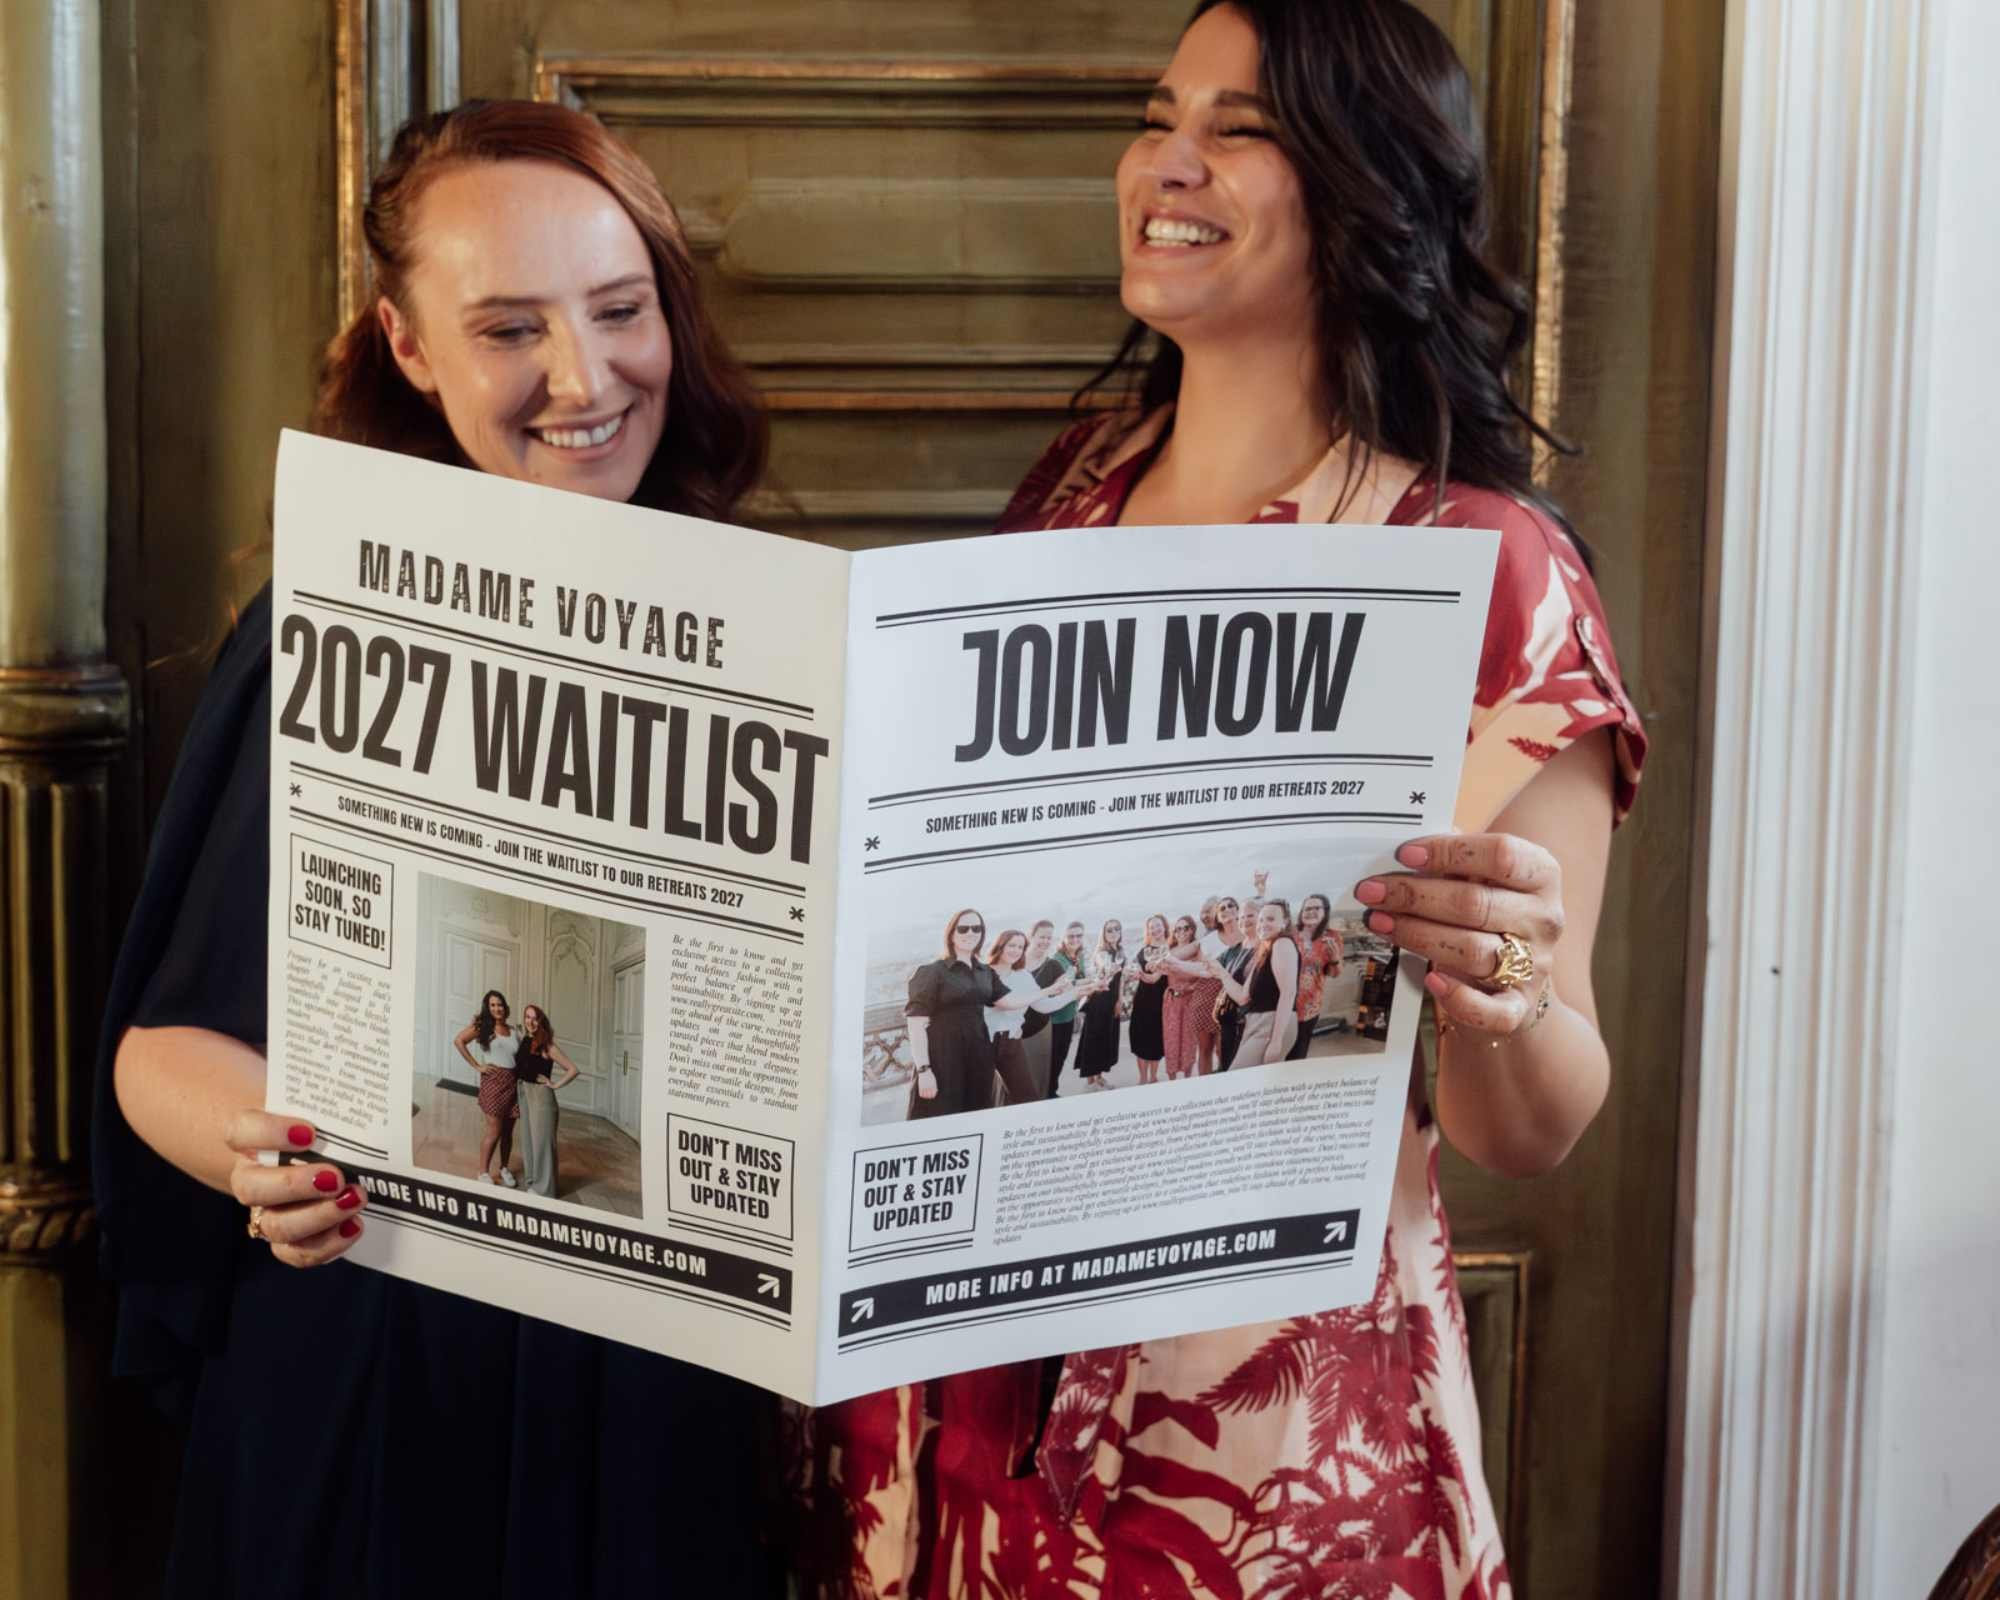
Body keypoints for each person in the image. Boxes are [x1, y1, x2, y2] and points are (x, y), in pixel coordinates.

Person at [795, 2, 1648, 1594]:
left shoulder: (1491, 570)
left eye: (1238, 129)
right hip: (972, 1354)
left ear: (1369, 185)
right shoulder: (1073, 491)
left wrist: (1503, 984)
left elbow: (1532, 1129)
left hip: (1257, 1417)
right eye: (1157, 116)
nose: (1166, 163)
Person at [93, 100, 784, 1597]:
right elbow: (159, 1047)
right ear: (410, 349)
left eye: (620, 309)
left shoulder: (777, 635)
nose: (585, 378)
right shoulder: (324, 633)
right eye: (510, 329)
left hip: (664, 1395)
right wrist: (266, 1154)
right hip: (382, 1377)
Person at [905, 910, 1068, 1118]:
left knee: (975, 1115)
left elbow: (1009, 1002)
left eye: (977, 928)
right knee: (940, 1116)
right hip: (943, 1058)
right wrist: (924, 1070)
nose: (970, 933)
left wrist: (1048, 991)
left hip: (978, 1058)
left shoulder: (985, 972)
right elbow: (916, 1025)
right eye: (963, 928)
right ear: (951, 933)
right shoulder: (931, 972)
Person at [984, 928, 1075, 1104]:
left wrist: (1075, 993)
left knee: (1026, 1096)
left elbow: (1043, 1006)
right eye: (1012, 945)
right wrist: (1048, 990)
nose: (1016, 951)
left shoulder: (1023, 975)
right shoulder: (983, 973)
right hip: (982, 1043)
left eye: (1020, 947)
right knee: (983, 1098)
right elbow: (1003, 1004)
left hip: (1010, 1042)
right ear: (1000, 945)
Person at [1212, 897, 1301, 1067]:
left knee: (1239, 1076)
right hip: (1255, 1023)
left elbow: (1288, 993)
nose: (1263, 924)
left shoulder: (1282, 943)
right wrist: (1221, 972)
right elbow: (1243, 996)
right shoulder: (1264, 950)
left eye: (1270, 919)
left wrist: (1276, 1041)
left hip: (1272, 1023)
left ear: (1284, 922)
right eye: (1261, 919)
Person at [453, 988, 521, 1185]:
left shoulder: (514, 1031)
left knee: (507, 1132)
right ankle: (483, 1172)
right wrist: (477, 1066)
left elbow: (519, 1058)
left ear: (505, 1007)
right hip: (493, 1082)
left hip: (513, 1083)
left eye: (500, 1005)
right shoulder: (483, 1027)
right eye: (492, 1005)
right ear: (487, 1007)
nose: (497, 1008)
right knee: (494, 1130)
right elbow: (459, 1041)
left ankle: (504, 1168)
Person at [512, 1003, 581, 1197]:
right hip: (525, 1093)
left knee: (542, 1144)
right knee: (529, 1141)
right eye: (527, 1017)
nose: (530, 1022)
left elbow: (573, 1069)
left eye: (535, 1018)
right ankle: (534, 1181)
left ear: (541, 1021)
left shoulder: (547, 1045)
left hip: (541, 1097)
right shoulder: (526, 1040)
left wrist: (555, 1085)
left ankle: (544, 1190)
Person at [1157, 913, 1219, 1078]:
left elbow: (1205, 975)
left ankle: (1187, 1079)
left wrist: (1191, 986)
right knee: (1171, 1042)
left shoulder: (1197, 951)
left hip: (1191, 1002)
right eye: (1177, 929)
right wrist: (1143, 973)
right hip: (1172, 1002)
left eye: (1185, 928)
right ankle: (1172, 1082)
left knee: (1188, 1044)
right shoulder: (1169, 952)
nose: (1181, 932)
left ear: (1192, 930)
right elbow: (1157, 974)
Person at [1071, 917, 1128, 1090]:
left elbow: (1121, 979)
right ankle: (1090, 1082)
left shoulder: (1120, 951)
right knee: (1094, 1039)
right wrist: (1110, 969)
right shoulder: (1101, 952)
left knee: (1106, 1039)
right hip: (1099, 1001)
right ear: (1104, 933)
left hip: (1112, 1001)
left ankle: (1099, 1077)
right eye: (1109, 930)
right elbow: (1104, 971)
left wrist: (1119, 1000)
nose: (1113, 932)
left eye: (1117, 928)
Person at [1287, 890, 1344, 1058]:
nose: (1311, 912)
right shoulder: (1290, 933)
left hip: (1309, 1007)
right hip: (1282, 1002)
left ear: (1325, 912)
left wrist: (1335, 959)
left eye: (1316, 908)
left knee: (1298, 1051)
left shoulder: (1332, 937)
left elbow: (1334, 973)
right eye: (1307, 908)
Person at [1041, 920, 1089, 1098]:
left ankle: (1052, 1090)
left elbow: (1079, 979)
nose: (1075, 939)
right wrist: (1087, 983)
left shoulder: (1078, 956)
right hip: (1056, 1018)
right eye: (1071, 936)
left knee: (1061, 1057)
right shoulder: (1057, 960)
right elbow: (1063, 987)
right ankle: (1048, 1093)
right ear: (1063, 938)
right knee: (1054, 1058)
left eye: (1079, 935)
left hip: (1069, 1014)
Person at [1124, 914, 1172, 1084]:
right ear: (1148, 931)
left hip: (1162, 1000)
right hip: (1143, 1000)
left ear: (1164, 926)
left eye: (1158, 925)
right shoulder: (1143, 950)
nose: (1155, 929)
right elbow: (1134, 970)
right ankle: (1143, 1077)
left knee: (1156, 1039)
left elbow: (1155, 977)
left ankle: (1153, 1076)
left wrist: (1142, 975)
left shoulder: (1170, 949)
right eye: (1151, 927)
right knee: (1141, 1037)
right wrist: (1132, 974)